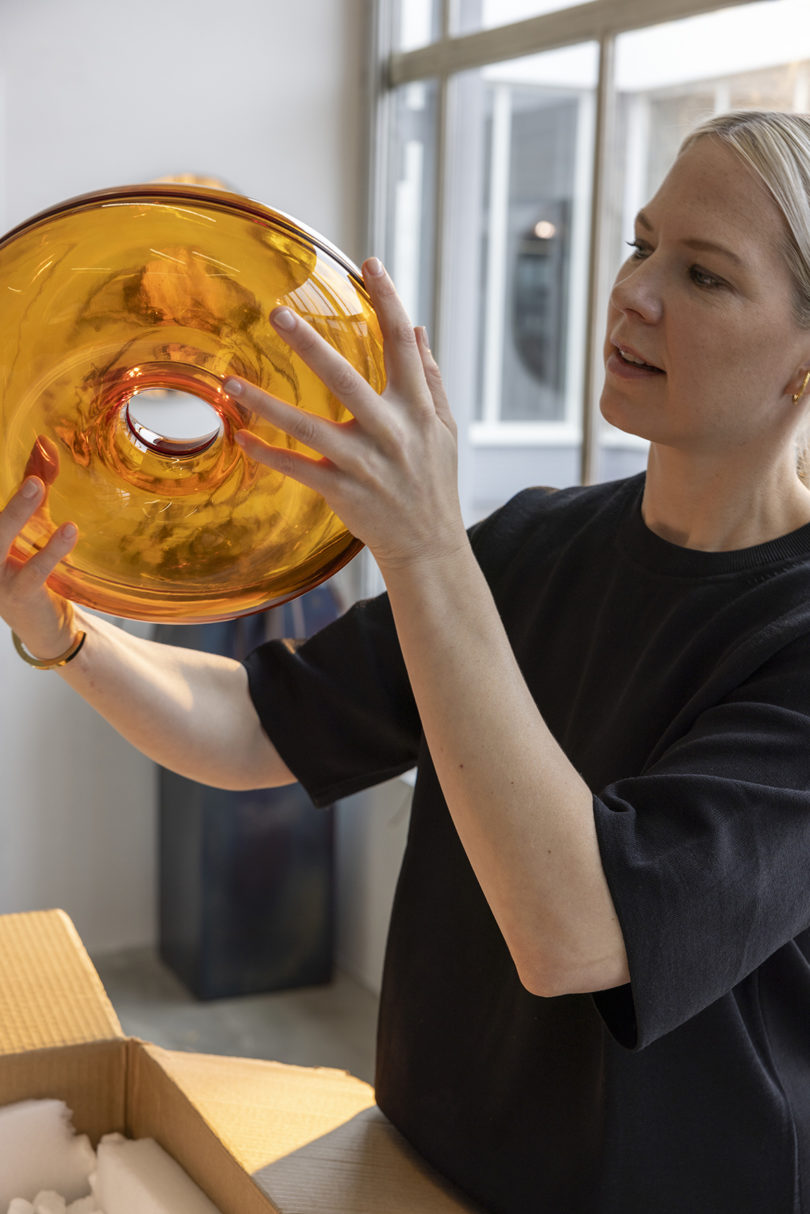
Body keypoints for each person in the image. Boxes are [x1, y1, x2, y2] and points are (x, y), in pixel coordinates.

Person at [3, 109, 810, 1212]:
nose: (635, 291)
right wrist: (62, 627)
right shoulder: (536, 540)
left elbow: (579, 935)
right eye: (640, 242)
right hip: (425, 1163)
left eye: (706, 275)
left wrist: (425, 544)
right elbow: (252, 725)